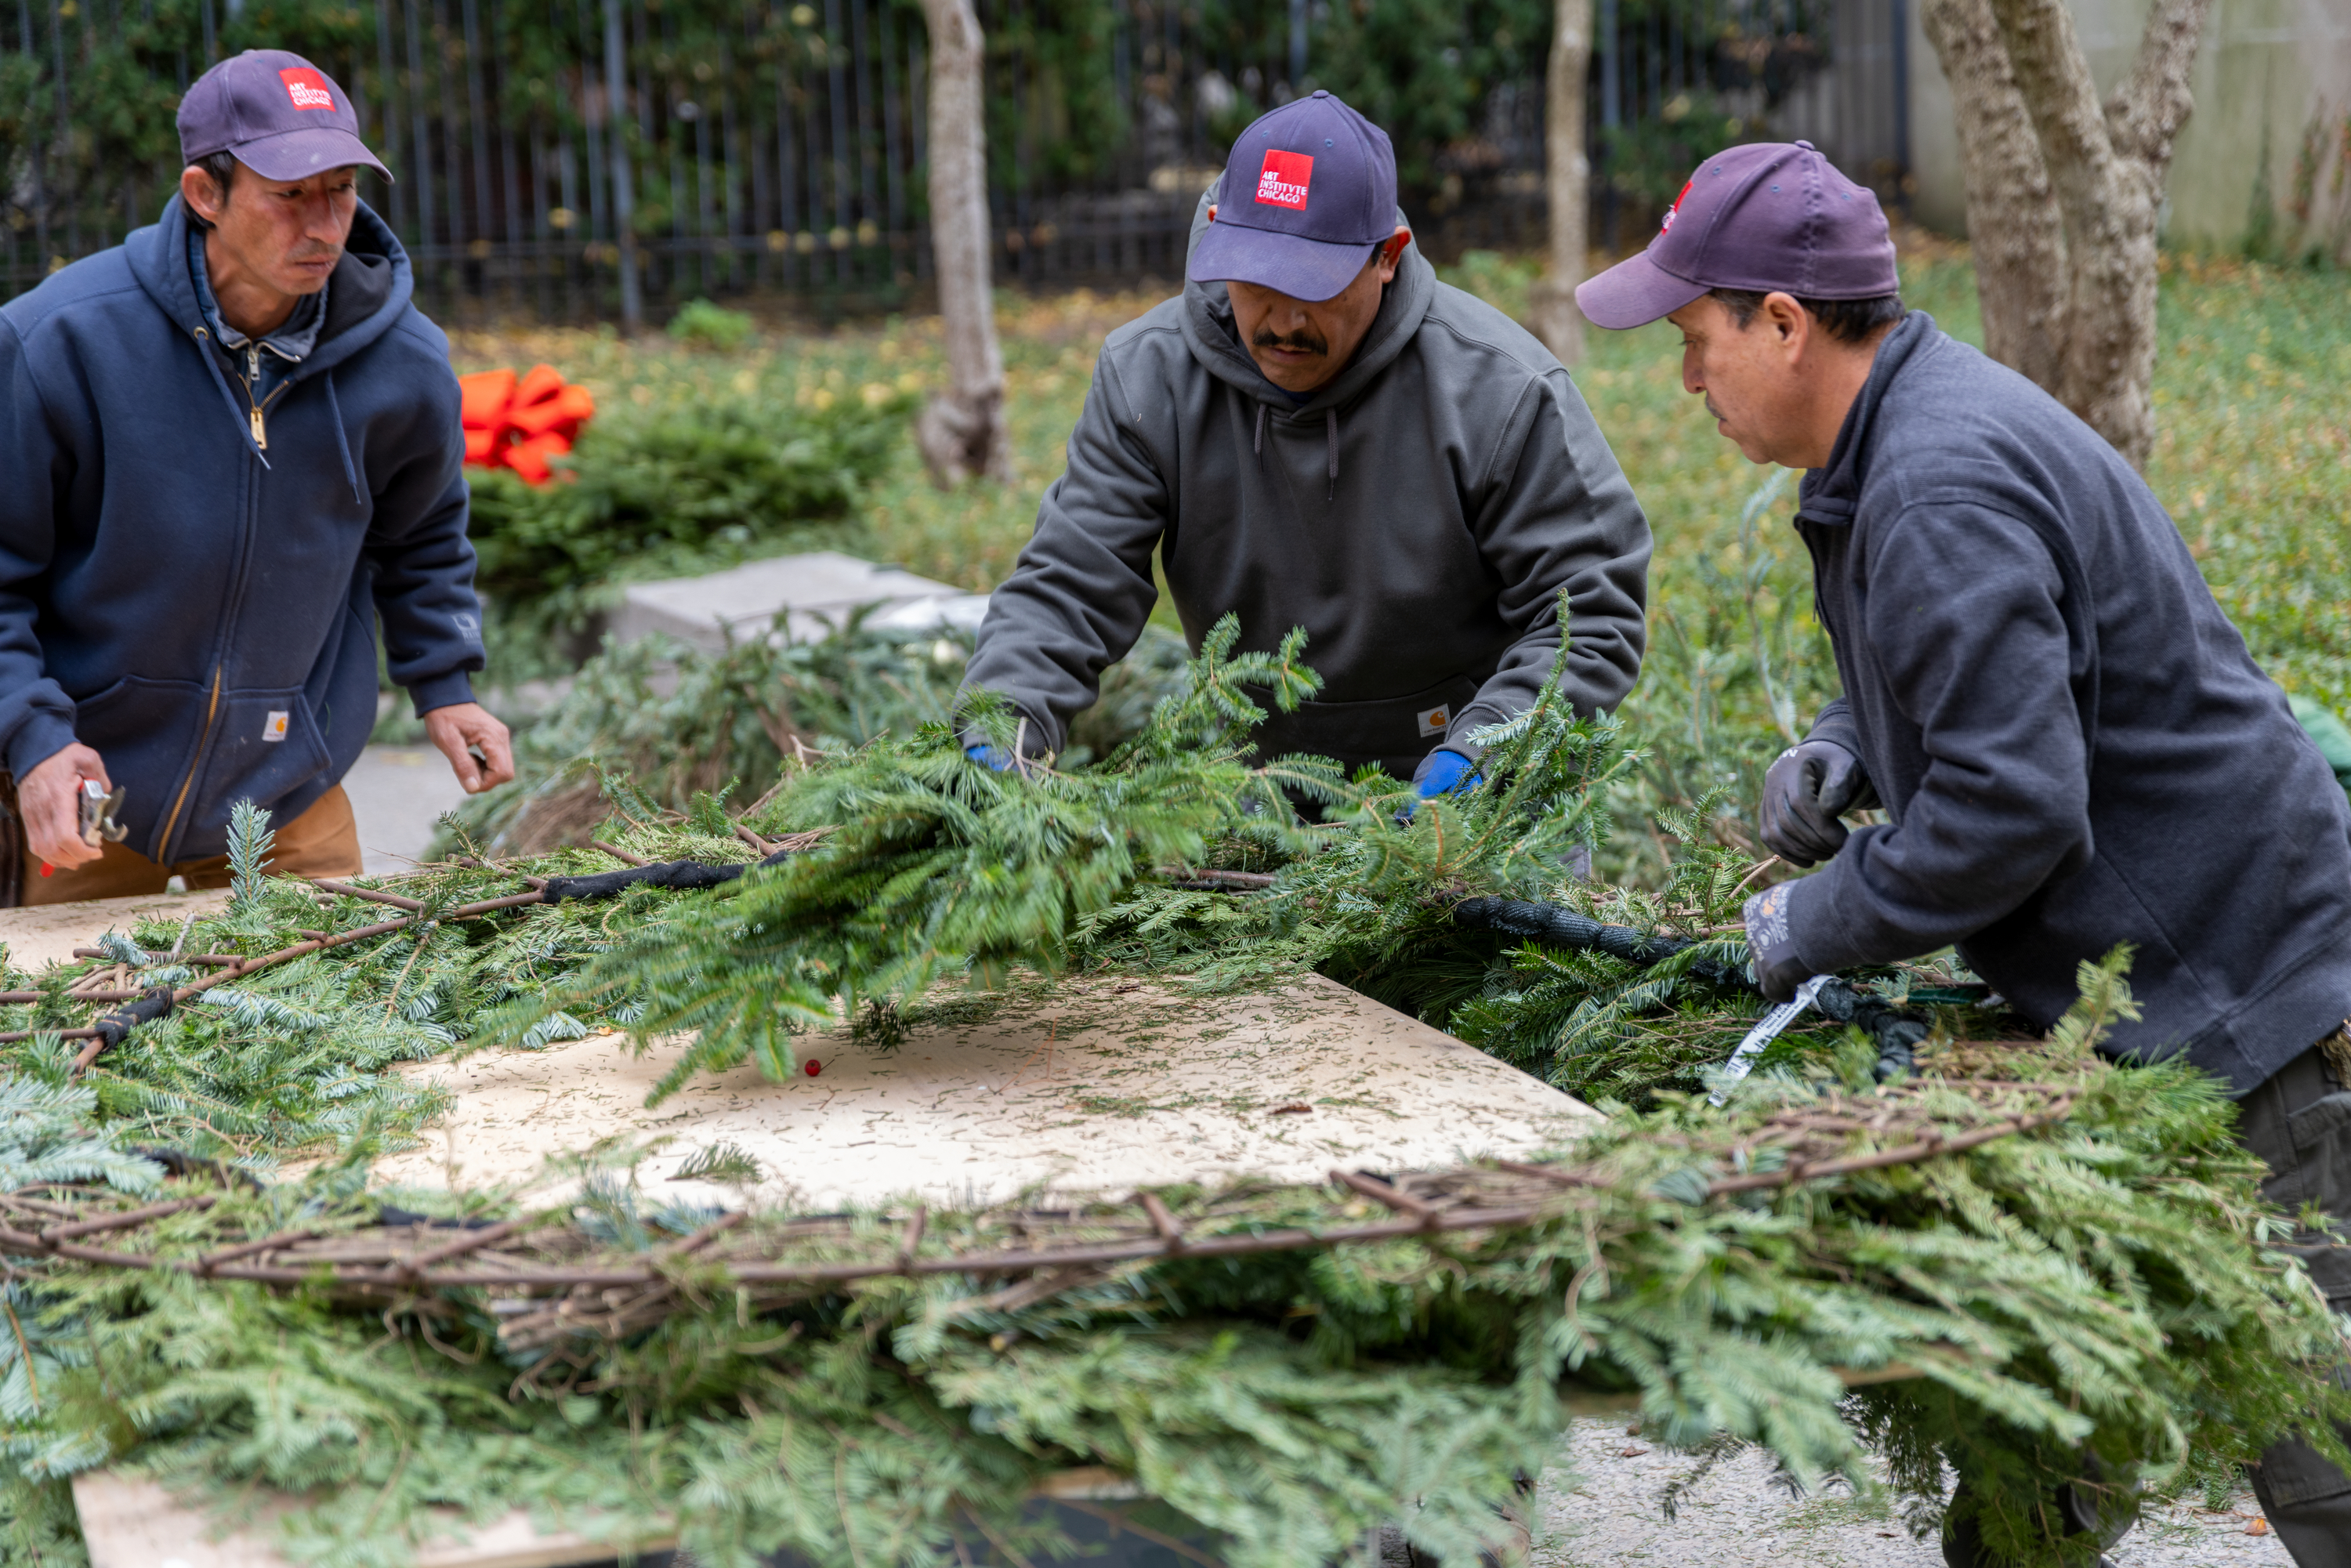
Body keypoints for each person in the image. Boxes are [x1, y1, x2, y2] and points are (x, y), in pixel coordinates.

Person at [1576, 139, 2351, 1566]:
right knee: (2040, 1467)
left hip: (2248, 1005)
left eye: (1699, 340)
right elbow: (1969, 667)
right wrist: (1845, 746)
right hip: (2138, 1010)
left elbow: (2010, 812)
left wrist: (1809, 922)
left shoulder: (1935, 482)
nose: (1689, 380)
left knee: (2327, 1464)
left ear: (1787, 324)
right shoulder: (1902, 436)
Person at [959, 91, 1650, 796]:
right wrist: (1000, 724)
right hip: (1262, 800)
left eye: (1313, 286)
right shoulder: (1150, 381)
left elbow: (1589, 612)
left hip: (1470, 794)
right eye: (1257, 278)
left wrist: (1486, 754)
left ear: (1388, 256)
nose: (1282, 319)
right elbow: (1069, 585)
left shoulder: (1500, 391)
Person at [0, 49, 512, 904]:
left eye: (342, 189)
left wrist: (444, 682)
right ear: (206, 194)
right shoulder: (57, 344)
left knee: (342, 1032)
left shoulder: (405, 362)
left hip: (288, 799)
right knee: (81, 1032)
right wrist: (32, 736)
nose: (324, 225)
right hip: (88, 801)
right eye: (289, 195)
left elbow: (423, 536)